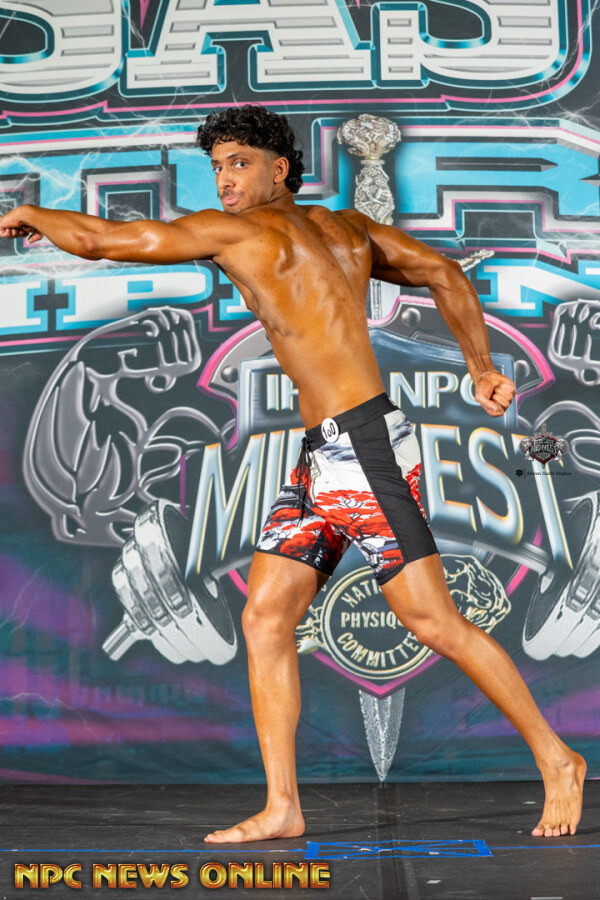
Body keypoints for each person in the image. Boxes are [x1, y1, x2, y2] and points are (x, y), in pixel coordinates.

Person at [0, 105, 585, 843]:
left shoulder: (241, 234)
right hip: (324, 455)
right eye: (217, 166)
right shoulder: (348, 230)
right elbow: (441, 272)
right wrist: (480, 367)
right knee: (266, 615)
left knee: (432, 619)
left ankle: (557, 757)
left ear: (280, 168)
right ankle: (283, 806)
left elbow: (103, 241)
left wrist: (30, 213)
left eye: (239, 163)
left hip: (363, 449)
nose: (224, 180)